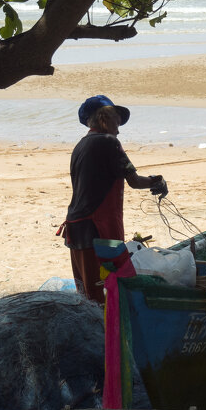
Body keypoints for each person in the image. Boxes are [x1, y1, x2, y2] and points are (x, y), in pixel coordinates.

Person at [58, 95, 168, 303]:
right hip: (97, 229)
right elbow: (134, 181)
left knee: (87, 293)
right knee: (108, 291)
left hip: (77, 226)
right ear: (103, 118)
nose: (118, 129)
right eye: (116, 121)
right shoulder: (109, 142)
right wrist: (157, 181)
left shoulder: (81, 145)